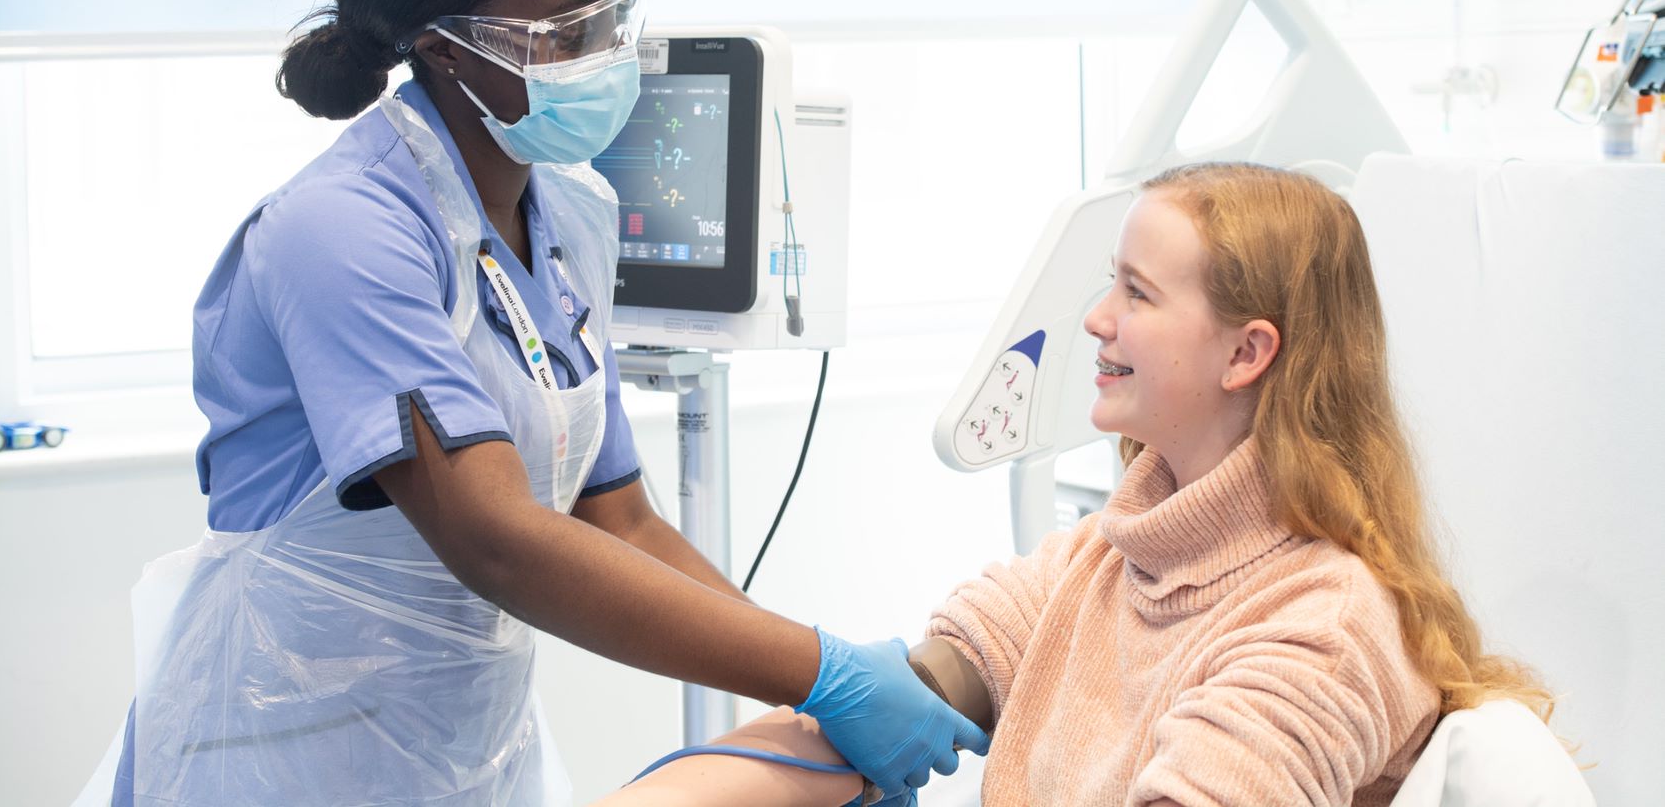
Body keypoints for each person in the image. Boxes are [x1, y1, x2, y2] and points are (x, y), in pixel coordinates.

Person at [88, 0, 985, 807]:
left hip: (458, 743)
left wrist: (814, 697)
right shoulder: (341, 231)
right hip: (277, 746)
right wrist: (821, 670)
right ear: (443, 51)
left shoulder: (573, 211)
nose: (609, 54)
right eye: (567, 36)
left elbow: (624, 522)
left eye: (616, 15)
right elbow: (499, 537)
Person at [591, 162, 1558, 807]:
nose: (1096, 319)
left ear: (1246, 352)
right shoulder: (1107, 558)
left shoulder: (1322, 626)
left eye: (1137, 292)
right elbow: (894, 703)